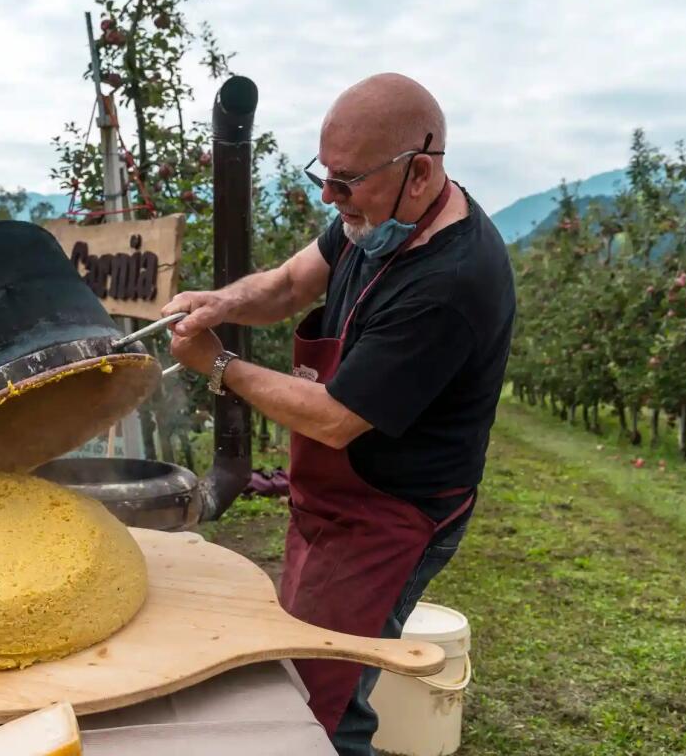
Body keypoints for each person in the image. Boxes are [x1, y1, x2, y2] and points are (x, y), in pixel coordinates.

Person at [163, 73, 515, 755]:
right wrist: (220, 302)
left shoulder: (450, 284)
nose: (329, 197)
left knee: (315, 704)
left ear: (419, 172)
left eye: (345, 182)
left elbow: (334, 418)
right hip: (330, 496)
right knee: (298, 667)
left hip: (392, 516)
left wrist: (219, 364)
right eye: (324, 175)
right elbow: (290, 283)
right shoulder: (377, 219)